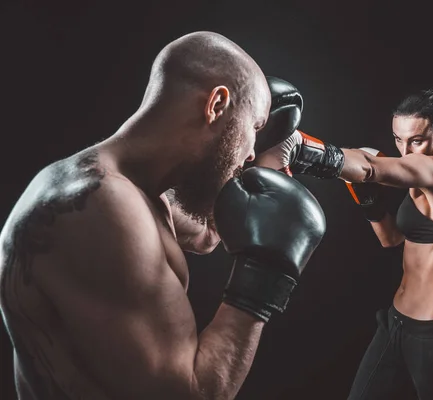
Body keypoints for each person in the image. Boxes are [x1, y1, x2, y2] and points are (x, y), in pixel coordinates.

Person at [0, 31, 326, 400]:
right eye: (254, 128)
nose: (251, 153)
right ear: (217, 104)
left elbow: (206, 235)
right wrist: (265, 279)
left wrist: (261, 153)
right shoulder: (103, 208)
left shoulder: (138, 191)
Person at [255, 87, 433, 399]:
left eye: (416, 140)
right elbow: (391, 238)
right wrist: (369, 199)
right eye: (398, 139)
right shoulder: (419, 175)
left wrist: (301, 149)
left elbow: (371, 166)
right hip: (396, 325)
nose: (406, 151)